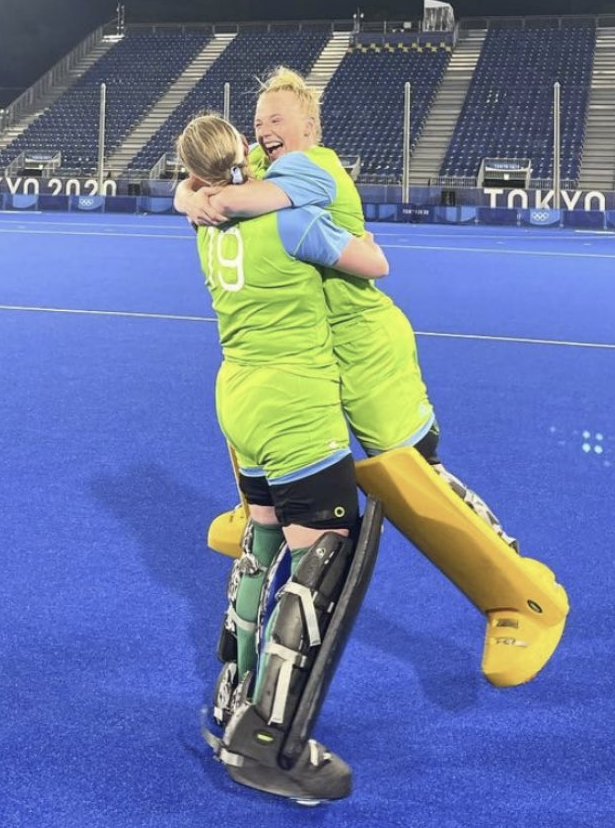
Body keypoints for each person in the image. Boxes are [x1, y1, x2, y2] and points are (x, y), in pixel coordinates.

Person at [176, 67, 569, 689]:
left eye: (277, 119)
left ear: (309, 124)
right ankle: (261, 510)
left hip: (364, 348)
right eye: (257, 122)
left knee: (412, 481)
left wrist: (202, 200)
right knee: (276, 412)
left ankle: (518, 595)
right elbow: (204, 170)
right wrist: (187, 191)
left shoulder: (315, 167)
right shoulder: (263, 160)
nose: (263, 130)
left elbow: (232, 196)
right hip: (315, 353)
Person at [176, 112, 387, 805]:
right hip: (295, 404)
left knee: (261, 540)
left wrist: (200, 190)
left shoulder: (204, 220)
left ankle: (230, 695)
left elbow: (193, 192)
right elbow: (373, 262)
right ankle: (268, 739)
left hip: (238, 397)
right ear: (242, 154)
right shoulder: (290, 223)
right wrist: (357, 231)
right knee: (322, 552)